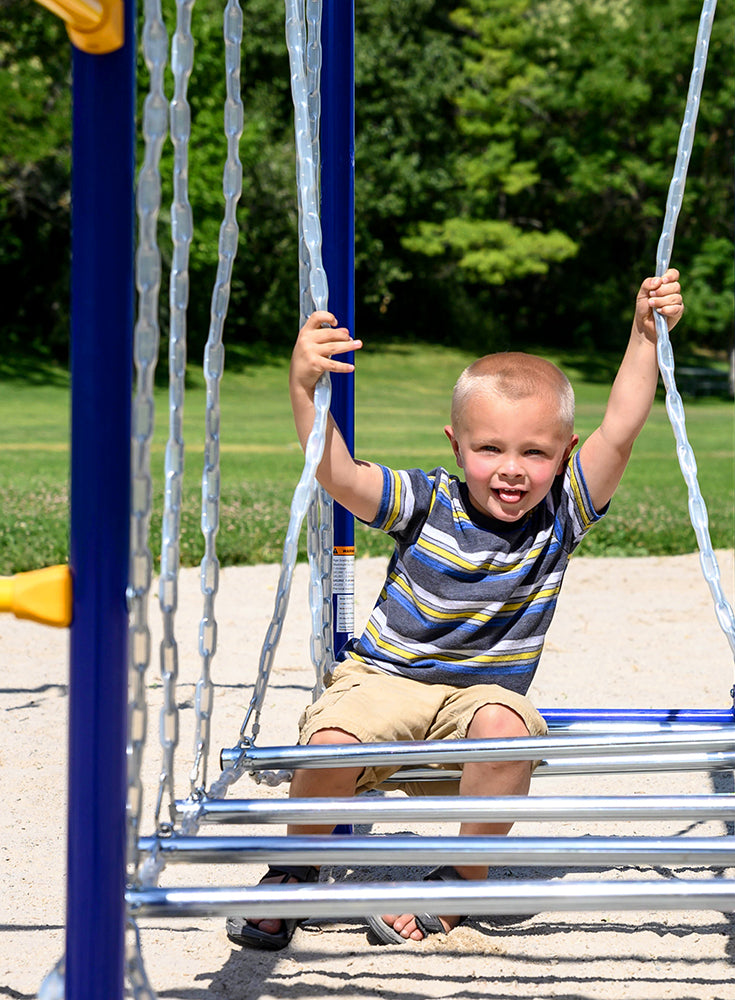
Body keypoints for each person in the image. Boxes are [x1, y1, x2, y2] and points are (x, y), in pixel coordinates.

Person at [226, 269, 684, 951]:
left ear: (565, 455)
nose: (512, 469)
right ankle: (296, 868)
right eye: (490, 448)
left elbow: (619, 428)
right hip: (385, 682)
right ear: (455, 446)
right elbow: (340, 476)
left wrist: (645, 335)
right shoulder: (426, 500)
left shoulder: (561, 515)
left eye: (535, 452)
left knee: (508, 726)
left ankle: (460, 881)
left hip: (477, 703)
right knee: (328, 741)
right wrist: (304, 391)